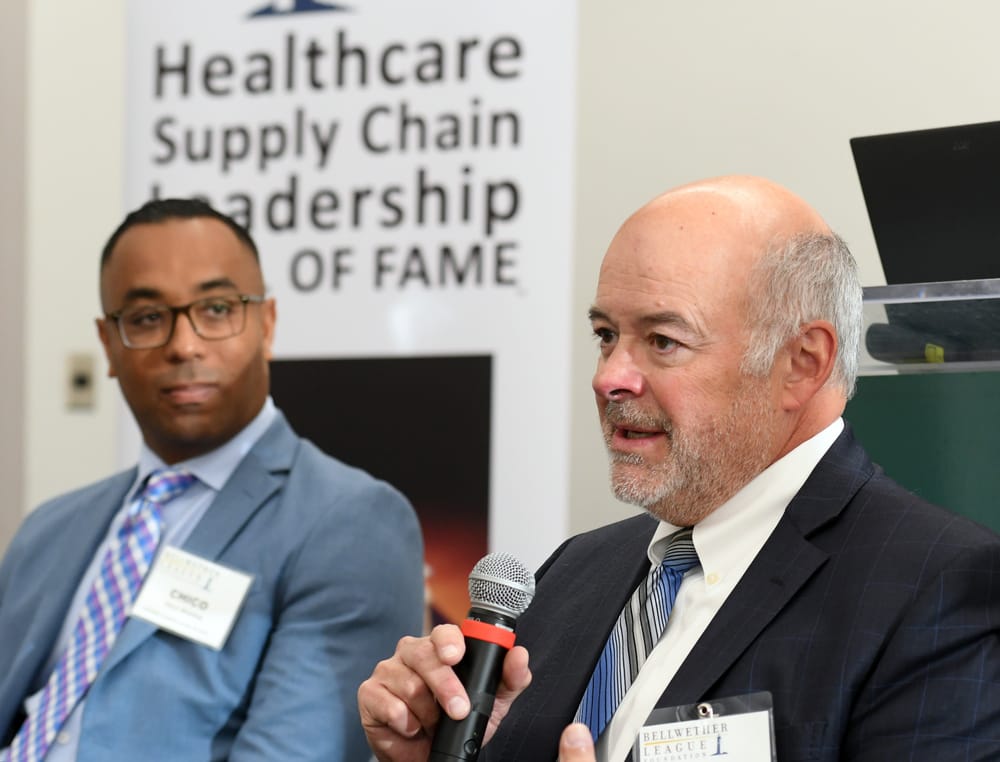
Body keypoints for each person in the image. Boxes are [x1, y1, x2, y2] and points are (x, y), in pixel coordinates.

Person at [358, 175, 1000, 761]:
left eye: (664, 341)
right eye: (607, 335)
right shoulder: (571, 574)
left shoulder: (938, 590)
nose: (609, 377)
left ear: (802, 362)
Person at [0, 198, 425, 761]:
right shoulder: (48, 530)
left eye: (217, 308)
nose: (184, 345)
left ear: (266, 325)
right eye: (148, 318)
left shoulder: (351, 521)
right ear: (107, 344)